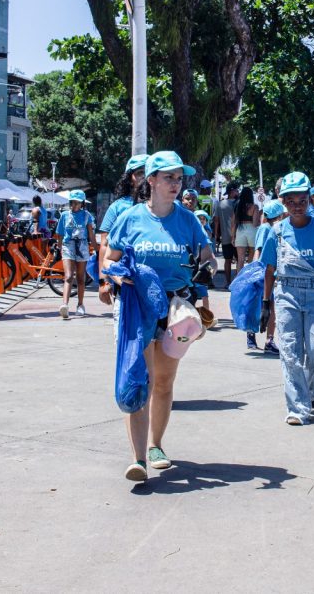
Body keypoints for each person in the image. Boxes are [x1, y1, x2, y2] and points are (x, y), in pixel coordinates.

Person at [104, 150, 216, 480]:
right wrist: (116, 275)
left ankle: (156, 445)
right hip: (137, 306)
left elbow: (207, 256)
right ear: (150, 180)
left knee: (164, 382)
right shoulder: (131, 218)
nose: (176, 184)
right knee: (140, 378)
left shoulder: (188, 220)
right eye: (169, 177)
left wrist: (205, 272)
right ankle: (138, 459)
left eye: (179, 178)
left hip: (175, 308)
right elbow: (109, 260)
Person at [260, 172, 314, 425]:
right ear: (283, 202)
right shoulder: (276, 232)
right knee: (290, 352)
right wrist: (266, 304)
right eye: (291, 201)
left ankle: (312, 387)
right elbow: (270, 270)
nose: (297, 206)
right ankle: (297, 408)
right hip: (286, 294)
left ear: (310, 200)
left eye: (302, 200)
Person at [97, 155, 148, 311]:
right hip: (126, 282)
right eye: (140, 173)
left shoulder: (163, 207)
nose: (145, 177)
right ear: (129, 178)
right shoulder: (118, 207)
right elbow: (105, 246)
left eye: (148, 172)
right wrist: (103, 282)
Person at [251, 199, 286, 354]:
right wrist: (256, 269)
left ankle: (263, 338)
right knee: (268, 307)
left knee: (266, 307)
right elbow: (258, 250)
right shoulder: (266, 228)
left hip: (269, 272)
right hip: (265, 273)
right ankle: (268, 340)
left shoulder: (274, 228)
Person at [55, 190, 96, 319]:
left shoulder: (87, 215)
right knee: (68, 276)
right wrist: (59, 246)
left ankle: (80, 304)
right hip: (68, 246)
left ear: (82, 203)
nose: (74, 205)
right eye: (72, 202)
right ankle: (65, 305)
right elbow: (60, 234)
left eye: (77, 203)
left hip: (82, 246)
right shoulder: (64, 215)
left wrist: (98, 248)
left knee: (80, 277)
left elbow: (91, 235)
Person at [214, 182, 239, 284]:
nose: (238, 192)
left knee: (227, 260)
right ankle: (237, 283)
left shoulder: (221, 204)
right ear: (232, 191)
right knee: (239, 261)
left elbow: (216, 221)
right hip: (238, 237)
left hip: (225, 237)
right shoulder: (240, 203)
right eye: (237, 190)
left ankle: (228, 282)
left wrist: (216, 235)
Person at [232, 186, 258, 272]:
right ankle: (249, 279)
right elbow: (255, 223)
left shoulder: (237, 206)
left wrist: (233, 237)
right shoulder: (254, 207)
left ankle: (238, 281)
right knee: (252, 258)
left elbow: (234, 222)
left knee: (240, 259)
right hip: (251, 230)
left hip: (240, 230)